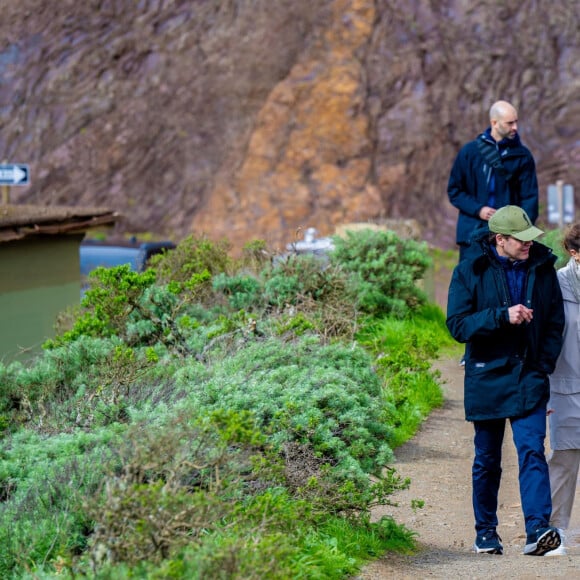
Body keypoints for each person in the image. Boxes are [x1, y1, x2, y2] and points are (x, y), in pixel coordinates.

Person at [446, 205, 565, 556]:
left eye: (530, 238)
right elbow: (458, 325)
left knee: (532, 452)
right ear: (500, 239)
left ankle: (538, 531)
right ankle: (485, 533)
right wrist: (501, 316)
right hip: (486, 375)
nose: (529, 244)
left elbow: (555, 323)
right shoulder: (470, 269)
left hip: (529, 375)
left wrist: (543, 365)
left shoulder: (543, 267)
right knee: (487, 458)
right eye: (520, 240)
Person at [447, 100, 539, 262]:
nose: (515, 127)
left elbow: (530, 198)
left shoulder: (523, 156)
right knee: (470, 284)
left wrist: (520, 232)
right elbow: (455, 191)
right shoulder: (469, 152)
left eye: (516, 122)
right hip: (472, 232)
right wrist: (478, 210)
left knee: (508, 285)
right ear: (494, 123)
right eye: (510, 123)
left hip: (509, 237)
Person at [546, 223, 580, 556]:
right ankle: (554, 532)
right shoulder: (556, 285)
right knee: (565, 461)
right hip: (566, 385)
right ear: (574, 252)